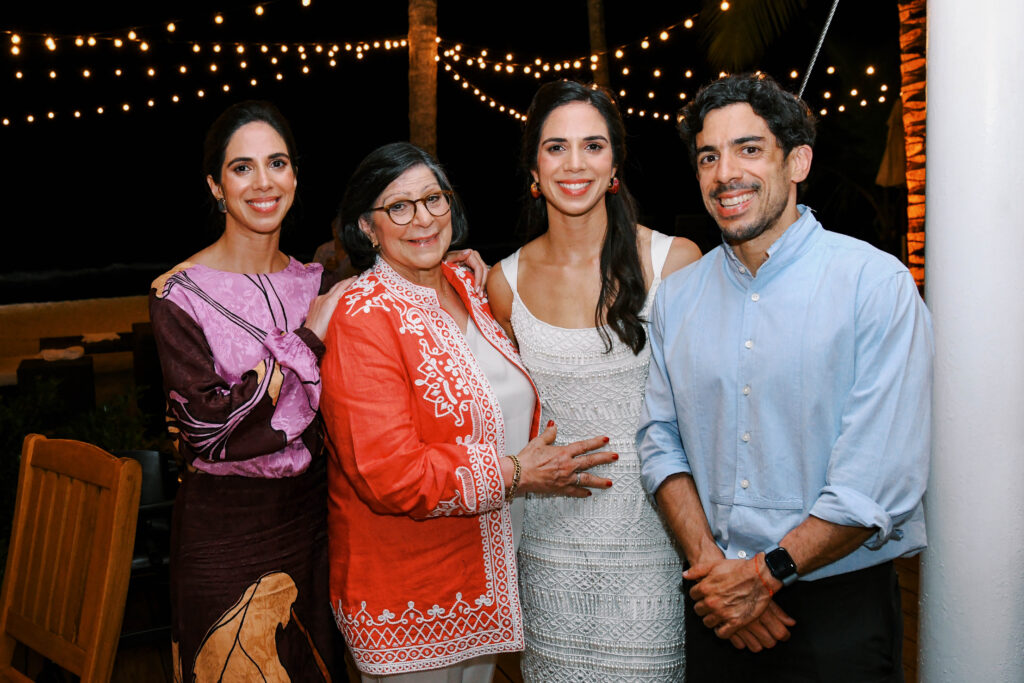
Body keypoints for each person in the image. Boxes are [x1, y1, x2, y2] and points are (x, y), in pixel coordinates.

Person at [637, 73, 934, 682]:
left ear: (797, 161)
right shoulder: (678, 297)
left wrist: (766, 574)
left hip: (838, 613)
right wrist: (715, 572)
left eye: (749, 149)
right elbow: (659, 438)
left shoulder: (874, 286)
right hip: (715, 602)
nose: (725, 174)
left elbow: (876, 478)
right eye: (708, 156)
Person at [319, 141, 618, 682]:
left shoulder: (467, 285)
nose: (422, 219)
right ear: (368, 227)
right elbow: (388, 473)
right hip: (408, 598)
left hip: (484, 582)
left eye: (433, 199)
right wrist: (519, 473)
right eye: (398, 207)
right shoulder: (362, 317)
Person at [487, 80, 701, 681]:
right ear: (534, 165)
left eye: (592, 146)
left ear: (614, 164)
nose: (574, 164)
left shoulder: (675, 262)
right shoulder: (501, 283)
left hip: (654, 548)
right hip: (549, 553)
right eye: (556, 148)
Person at [149, 100, 352, 681]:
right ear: (216, 185)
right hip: (225, 533)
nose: (263, 182)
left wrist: (456, 271)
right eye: (242, 168)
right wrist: (308, 339)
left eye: (277, 162)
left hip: (315, 524)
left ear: (294, 176)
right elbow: (209, 433)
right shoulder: (178, 295)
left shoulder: (322, 284)